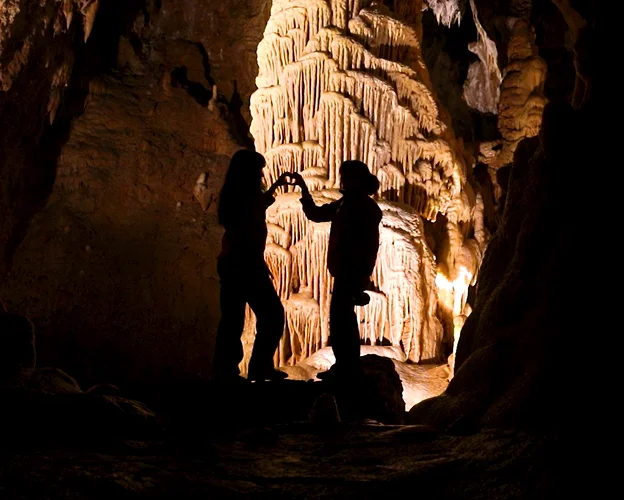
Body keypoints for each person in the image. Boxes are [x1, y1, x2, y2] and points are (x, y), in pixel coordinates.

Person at [290, 161, 382, 380]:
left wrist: (362, 277)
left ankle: (348, 366)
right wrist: (303, 189)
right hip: (343, 270)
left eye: (346, 177)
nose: (343, 180)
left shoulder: (364, 207)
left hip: (352, 270)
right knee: (340, 318)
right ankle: (345, 364)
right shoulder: (346, 203)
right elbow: (316, 214)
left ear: (356, 179)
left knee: (343, 319)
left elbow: (369, 245)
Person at [214, 149, 291, 382]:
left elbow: (253, 210)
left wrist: (273, 188)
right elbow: (245, 221)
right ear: (247, 172)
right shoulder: (241, 197)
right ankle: (256, 367)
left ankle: (227, 370)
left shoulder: (237, 194)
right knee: (271, 315)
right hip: (242, 262)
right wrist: (254, 259)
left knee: (233, 318)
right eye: (258, 170)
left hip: (236, 261)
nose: (260, 174)